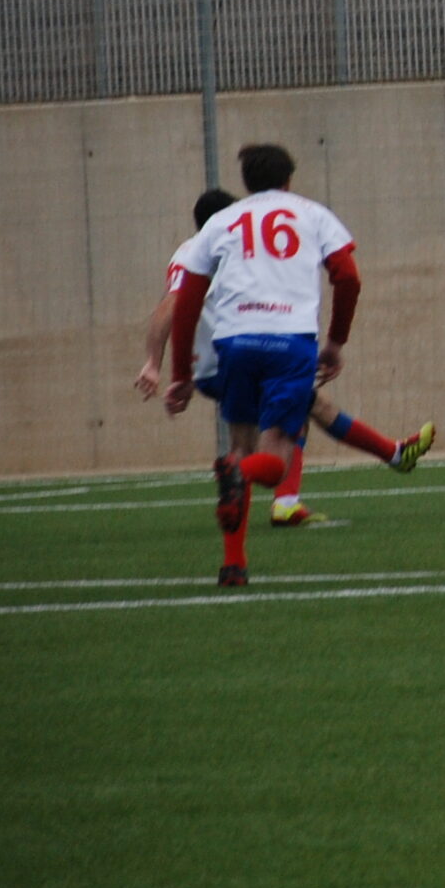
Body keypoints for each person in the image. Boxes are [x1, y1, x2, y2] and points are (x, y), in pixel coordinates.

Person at [136, 188, 434, 526]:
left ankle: (269, 508)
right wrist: (154, 364)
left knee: (299, 411)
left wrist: (161, 364)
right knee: (289, 419)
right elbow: (171, 306)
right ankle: (376, 462)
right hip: (232, 359)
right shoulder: (222, 246)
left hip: (220, 361)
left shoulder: (191, 251)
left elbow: (175, 303)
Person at [163, 145, 365, 587]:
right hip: (290, 342)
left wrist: (179, 374)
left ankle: (233, 564)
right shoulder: (312, 214)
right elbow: (348, 276)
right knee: (273, 460)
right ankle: (242, 474)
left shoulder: (220, 223)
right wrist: (335, 342)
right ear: (288, 180)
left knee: (239, 445)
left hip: (234, 342)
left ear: (247, 182)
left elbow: (186, 302)